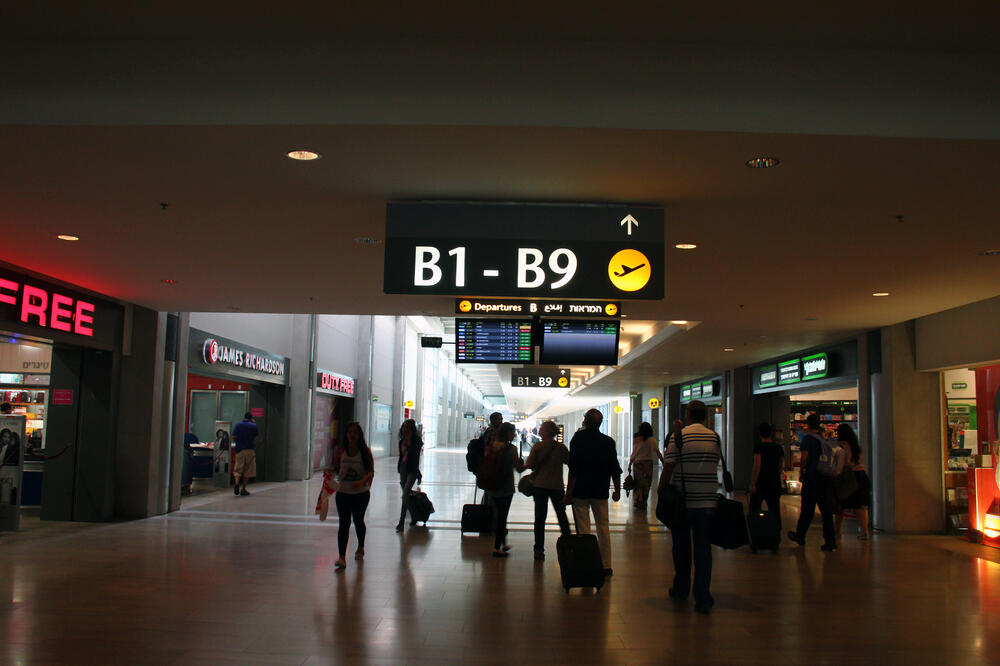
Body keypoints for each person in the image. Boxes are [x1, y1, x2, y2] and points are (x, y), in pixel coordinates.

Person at [659, 400, 721, 614]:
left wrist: (661, 489)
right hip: (707, 501)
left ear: (688, 415)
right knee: (704, 550)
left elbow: (669, 466)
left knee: (681, 548)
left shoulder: (680, 437)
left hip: (684, 501)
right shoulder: (714, 437)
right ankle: (703, 597)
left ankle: (681, 588)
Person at [564, 408, 622, 576]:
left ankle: (587, 563)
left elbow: (573, 469)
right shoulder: (608, 442)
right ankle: (606, 565)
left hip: (581, 491)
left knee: (583, 529)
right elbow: (615, 469)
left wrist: (569, 492)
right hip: (601, 490)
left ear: (585, 421)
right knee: (603, 527)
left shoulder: (578, 439)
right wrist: (617, 490)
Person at [788, 413, 838, 551]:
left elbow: (804, 457)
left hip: (812, 478)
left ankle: (800, 535)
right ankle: (830, 540)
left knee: (807, 509)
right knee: (826, 511)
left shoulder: (808, 439)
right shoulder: (823, 439)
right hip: (824, 478)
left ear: (808, 424)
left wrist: (801, 472)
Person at [525, 420, 570, 560]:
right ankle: (568, 544)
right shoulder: (561, 447)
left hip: (540, 486)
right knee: (562, 516)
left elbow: (530, 464)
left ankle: (539, 549)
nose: (539, 430)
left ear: (547, 431)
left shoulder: (537, 446)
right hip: (557, 486)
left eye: (542, 428)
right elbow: (570, 463)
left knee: (539, 519)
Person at [333, 422, 375, 570]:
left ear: (359, 435)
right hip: (343, 493)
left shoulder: (365, 452)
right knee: (343, 524)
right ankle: (342, 557)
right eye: (349, 432)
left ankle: (361, 546)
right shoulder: (341, 451)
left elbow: (370, 471)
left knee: (358, 520)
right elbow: (336, 468)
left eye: (355, 432)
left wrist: (362, 482)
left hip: (360, 494)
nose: (352, 435)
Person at [484, 422, 525, 557]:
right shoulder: (511, 449)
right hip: (506, 487)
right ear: (508, 433)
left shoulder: (491, 447)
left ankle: (503, 543)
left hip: (492, 486)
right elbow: (518, 468)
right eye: (513, 432)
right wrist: (526, 464)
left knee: (499, 514)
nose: (514, 435)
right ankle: (497, 547)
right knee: (502, 516)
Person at [835, 424, 871, 541]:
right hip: (861, 476)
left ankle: (837, 531)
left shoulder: (842, 447)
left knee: (840, 505)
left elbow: (842, 465)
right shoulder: (857, 446)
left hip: (849, 478)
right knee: (859, 506)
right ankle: (865, 531)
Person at [749, 422, 784, 529]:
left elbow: (757, 465)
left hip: (761, 482)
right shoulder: (778, 448)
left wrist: (753, 483)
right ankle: (776, 534)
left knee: (754, 509)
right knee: (774, 510)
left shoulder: (759, 447)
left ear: (760, 433)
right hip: (774, 482)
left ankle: (755, 532)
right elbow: (781, 466)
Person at [395, 419, 424, 533]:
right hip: (403, 468)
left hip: (412, 470)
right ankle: (414, 515)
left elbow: (415, 458)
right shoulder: (401, 441)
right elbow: (402, 456)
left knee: (405, 493)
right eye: (403, 427)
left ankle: (401, 522)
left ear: (412, 429)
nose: (405, 430)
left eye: (407, 428)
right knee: (406, 495)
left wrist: (418, 473)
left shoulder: (417, 441)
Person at [628, 422, 662, 510]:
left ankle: (637, 501)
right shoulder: (653, 440)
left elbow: (634, 453)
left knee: (638, 483)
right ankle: (644, 501)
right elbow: (658, 453)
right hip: (648, 465)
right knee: (646, 484)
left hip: (638, 464)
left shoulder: (638, 439)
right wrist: (664, 462)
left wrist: (630, 463)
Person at [231, 412, 259, 496]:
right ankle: (243, 489)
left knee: (238, 468)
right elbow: (256, 436)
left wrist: (238, 441)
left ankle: (236, 483)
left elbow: (233, 436)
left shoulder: (238, 425)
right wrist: (253, 424)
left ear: (244, 417)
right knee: (248, 469)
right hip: (250, 450)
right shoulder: (253, 426)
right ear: (251, 418)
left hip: (239, 450)